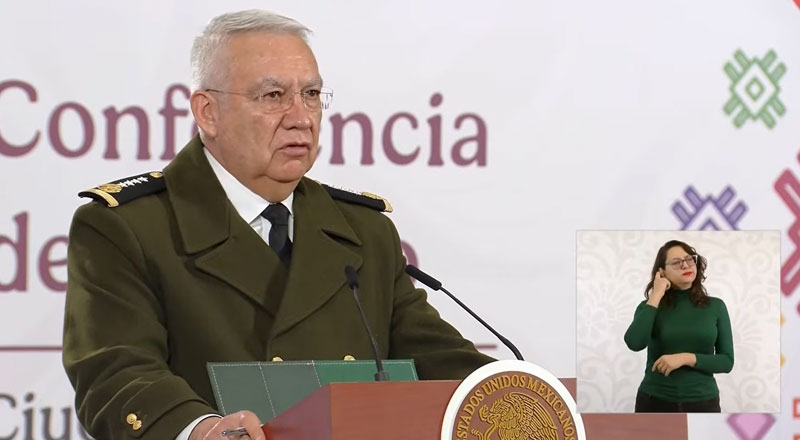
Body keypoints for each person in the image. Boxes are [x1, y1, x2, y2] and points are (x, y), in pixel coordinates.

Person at [62, 10, 494, 440]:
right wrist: (200, 430)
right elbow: (117, 373)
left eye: (311, 94)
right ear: (208, 112)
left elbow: (436, 358)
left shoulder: (364, 230)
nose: (301, 117)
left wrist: (518, 396)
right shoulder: (126, 227)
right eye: (273, 96)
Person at [623, 240, 734, 413]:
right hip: (654, 401)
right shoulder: (650, 306)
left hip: (704, 402)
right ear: (661, 272)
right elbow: (634, 343)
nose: (685, 265)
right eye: (676, 262)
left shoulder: (716, 306)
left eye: (689, 259)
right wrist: (656, 294)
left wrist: (686, 358)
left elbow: (726, 361)